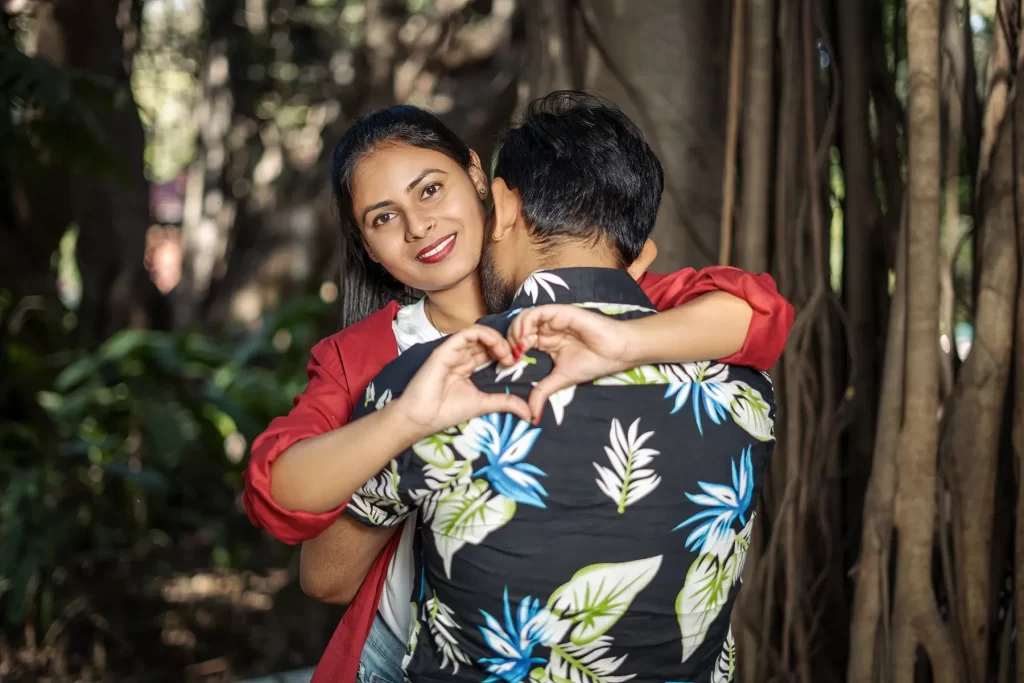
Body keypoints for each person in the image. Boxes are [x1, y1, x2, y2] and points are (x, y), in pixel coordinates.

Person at [242, 104, 793, 683]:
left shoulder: (607, 309)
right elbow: (311, 551)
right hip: (409, 646)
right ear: (367, 246)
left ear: (484, 184)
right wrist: (407, 432)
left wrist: (627, 342)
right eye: (383, 218)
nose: (418, 226)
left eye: (430, 190)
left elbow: (758, 310)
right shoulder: (364, 360)